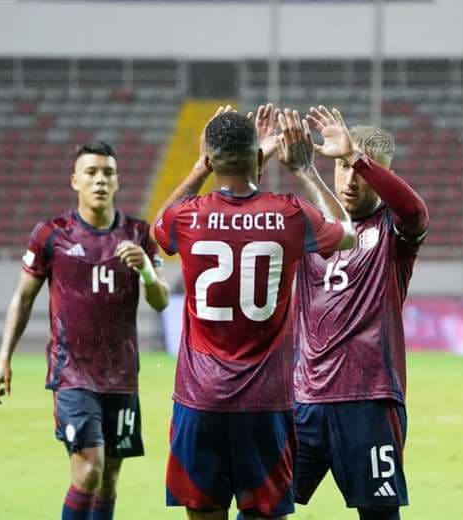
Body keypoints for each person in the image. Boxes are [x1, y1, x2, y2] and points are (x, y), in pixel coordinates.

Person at [152, 104, 355, 520]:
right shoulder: (290, 214)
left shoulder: (188, 217)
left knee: (204, 512)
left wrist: (198, 169)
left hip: (200, 400)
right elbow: (348, 234)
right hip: (266, 404)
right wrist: (305, 170)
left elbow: (158, 228)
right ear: (256, 162)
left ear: (210, 159)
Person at [0, 141, 170, 520]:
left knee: (108, 480)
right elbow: (22, 299)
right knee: (89, 471)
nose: (100, 180)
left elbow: (161, 301)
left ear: (118, 181)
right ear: (75, 180)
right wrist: (3, 358)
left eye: (107, 173)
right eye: (91, 173)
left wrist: (146, 270)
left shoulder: (138, 234)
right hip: (72, 375)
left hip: (122, 377)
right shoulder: (52, 234)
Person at [292, 107, 429, 520]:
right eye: (341, 167)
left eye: (361, 172)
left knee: (379, 515)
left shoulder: (393, 230)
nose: (350, 180)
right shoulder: (309, 227)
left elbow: (415, 211)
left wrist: (357, 157)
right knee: (263, 506)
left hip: (369, 400)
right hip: (303, 399)